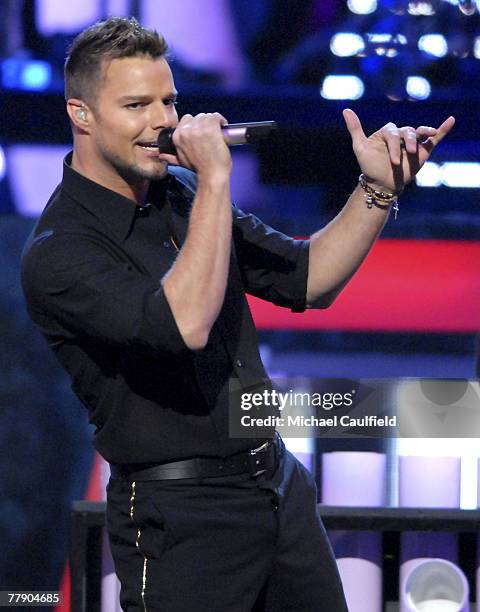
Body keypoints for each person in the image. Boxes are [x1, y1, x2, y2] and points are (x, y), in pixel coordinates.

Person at [21, 16, 454, 612]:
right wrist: (218, 178)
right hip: (180, 520)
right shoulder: (62, 251)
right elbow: (184, 324)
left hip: (274, 484)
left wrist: (376, 190)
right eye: (137, 104)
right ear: (82, 114)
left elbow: (309, 280)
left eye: (169, 101)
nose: (163, 121)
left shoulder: (182, 196)